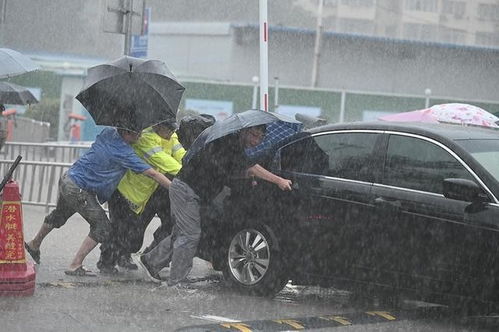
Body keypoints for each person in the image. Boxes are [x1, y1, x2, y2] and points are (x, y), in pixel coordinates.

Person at [134, 124, 293, 286]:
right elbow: (251, 167)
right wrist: (278, 180)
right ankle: (177, 282)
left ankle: (150, 261)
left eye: (260, 137)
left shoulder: (235, 148)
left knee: (182, 233)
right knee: (190, 235)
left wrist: (248, 177)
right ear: (243, 131)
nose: (256, 141)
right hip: (186, 189)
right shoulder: (228, 141)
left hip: (196, 193)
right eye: (253, 135)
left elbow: (232, 169)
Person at [24, 125, 172, 276]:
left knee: (60, 215)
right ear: (126, 132)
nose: (140, 135)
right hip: (80, 189)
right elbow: (153, 173)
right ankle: (75, 265)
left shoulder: (108, 133)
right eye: (137, 132)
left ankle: (34, 243)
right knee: (103, 227)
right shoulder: (124, 153)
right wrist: (174, 188)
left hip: (68, 178)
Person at [96, 120, 184, 273]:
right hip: (126, 192)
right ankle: (106, 261)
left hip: (147, 193)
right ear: (158, 126)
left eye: (173, 129)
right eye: (168, 129)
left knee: (134, 235)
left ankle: (124, 256)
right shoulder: (145, 138)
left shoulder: (171, 136)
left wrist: (191, 164)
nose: (171, 133)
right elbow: (164, 162)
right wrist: (188, 173)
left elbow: (180, 154)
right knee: (122, 230)